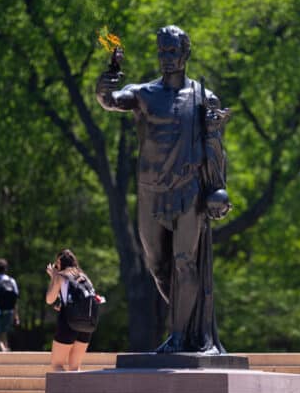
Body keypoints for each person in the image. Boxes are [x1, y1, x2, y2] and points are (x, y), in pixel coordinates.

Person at [95, 25, 232, 354]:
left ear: (185, 54)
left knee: (185, 262)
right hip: (151, 193)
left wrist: (218, 189)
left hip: (190, 190)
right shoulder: (143, 94)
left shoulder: (203, 97)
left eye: (172, 52)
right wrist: (104, 88)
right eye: (162, 52)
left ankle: (181, 335)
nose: (166, 58)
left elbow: (215, 146)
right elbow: (112, 101)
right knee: (158, 266)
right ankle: (192, 320)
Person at [45, 248, 103, 371]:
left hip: (68, 322)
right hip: (87, 323)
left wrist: (53, 278)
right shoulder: (83, 276)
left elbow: (49, 299)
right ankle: (77, 390)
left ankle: (62, 391)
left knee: (57, 364)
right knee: (75, 367)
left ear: (60, 262)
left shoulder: (61, 276)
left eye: (57, 264)